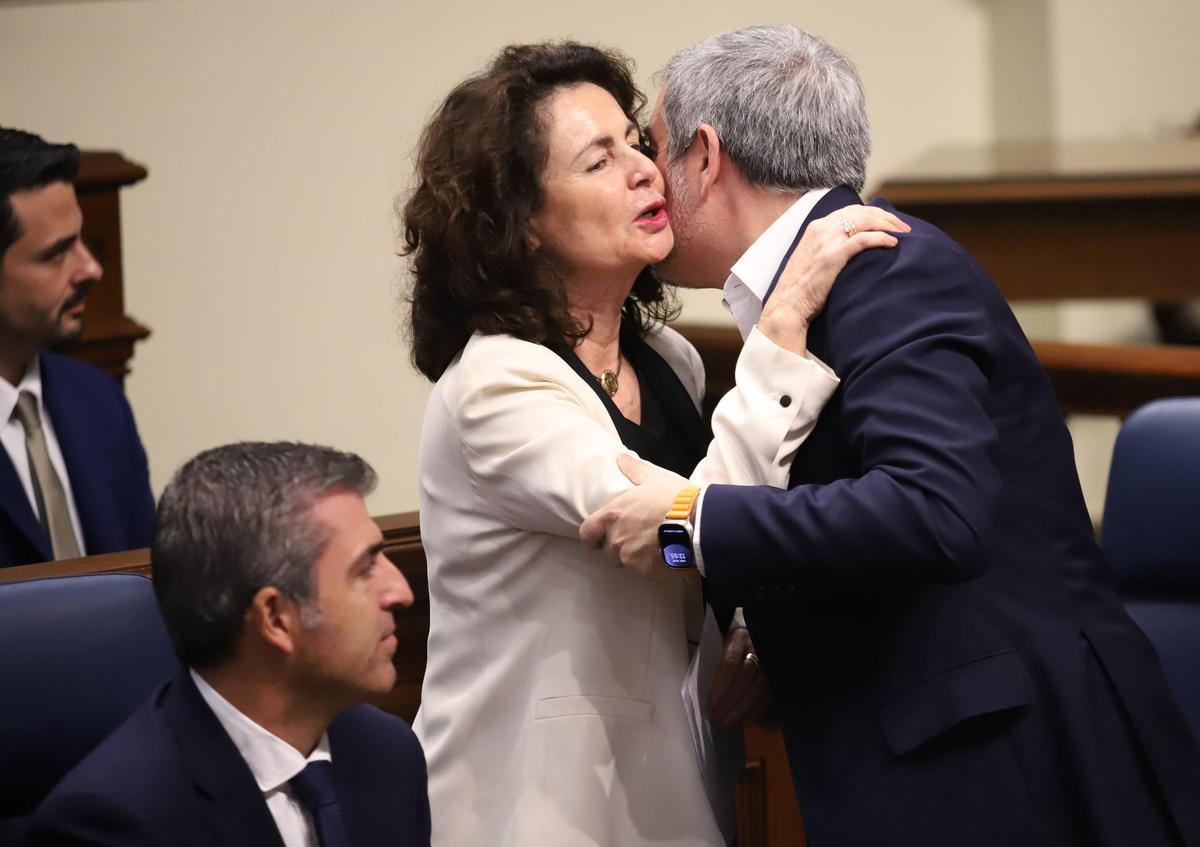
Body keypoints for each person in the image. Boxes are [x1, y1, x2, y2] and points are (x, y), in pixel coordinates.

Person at [581, 24, 1200, 847]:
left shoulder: (886, 267)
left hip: (1015, 771)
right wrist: (764, 630)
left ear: (704, 154)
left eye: (651, 147)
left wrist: (689, 520)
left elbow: (936, 511)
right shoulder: (825, 285)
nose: (645, 178)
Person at [402, 42, 905, 846]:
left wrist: (755, 627)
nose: (644, 169)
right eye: (599, 161)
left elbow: (730, 519)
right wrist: (776, 334)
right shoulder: (495, 390)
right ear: (523, 221)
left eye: (637, 143)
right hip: (537, 808)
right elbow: (673, 535)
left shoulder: (667, 360)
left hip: (674, 786)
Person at [28, 442, 432, 846]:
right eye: (365, 568)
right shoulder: (114, 822)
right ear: (275, 619)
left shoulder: (388, 754)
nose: (400, 591)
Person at [0, 127, 154, 567]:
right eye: (56, 254)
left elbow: (148, 587)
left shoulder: (97, 399)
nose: (91, 268)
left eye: (82, 240)